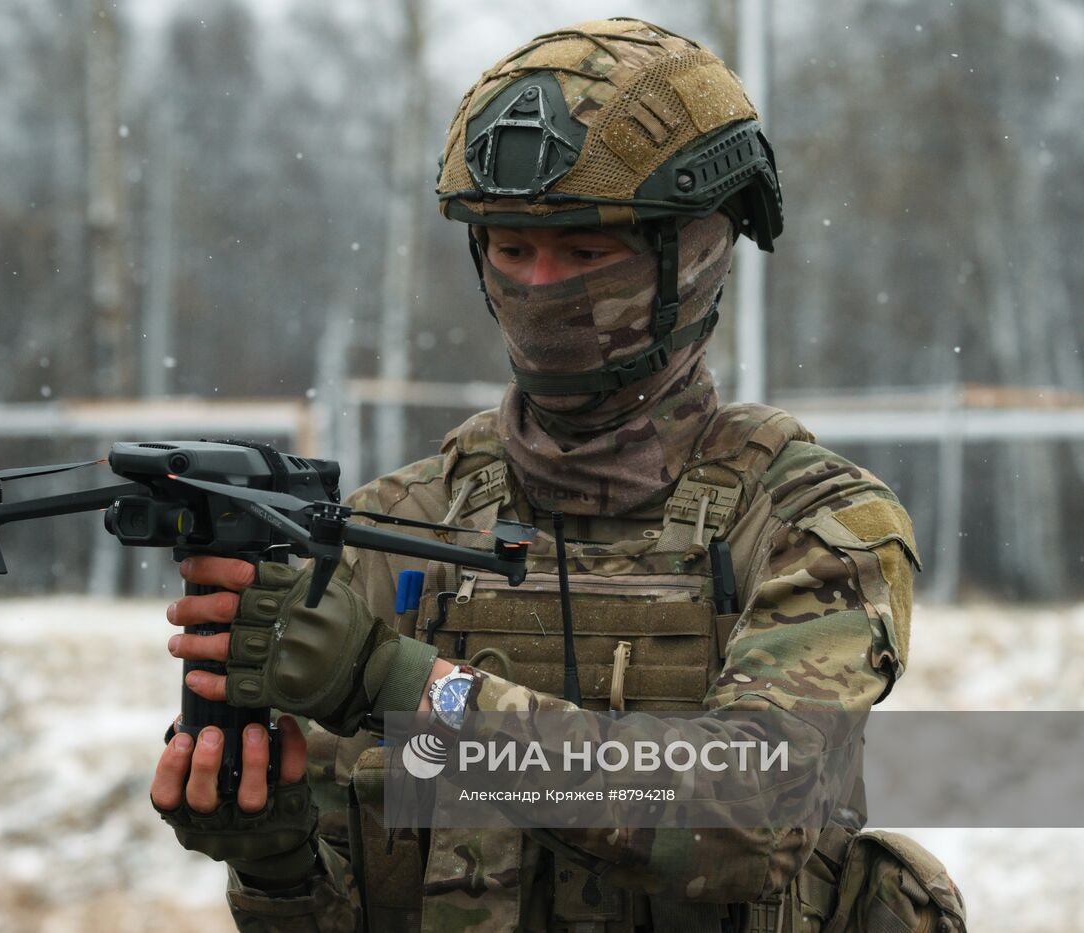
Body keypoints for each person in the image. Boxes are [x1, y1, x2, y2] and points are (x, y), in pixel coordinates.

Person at [151, 17, 967, 933]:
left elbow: (746, 816)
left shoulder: (812, 526)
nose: (541, 287)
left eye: (583, 252)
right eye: (510, 248)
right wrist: (272, 850)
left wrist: (397, 683)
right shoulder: (402, 524)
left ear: (691, 256)